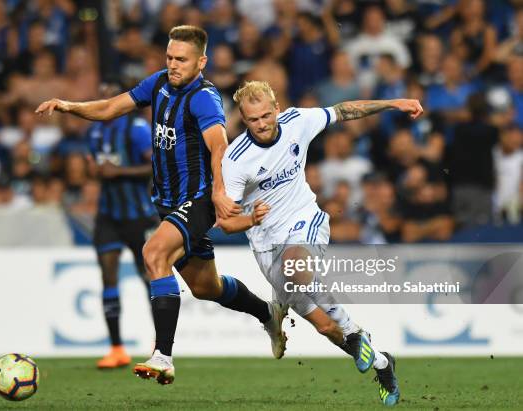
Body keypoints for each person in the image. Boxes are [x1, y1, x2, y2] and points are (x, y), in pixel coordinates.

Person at [36, 26, 287, 385]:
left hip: (197, 200)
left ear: (201, 61)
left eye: (181, 59)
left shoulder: (204, 98)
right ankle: (267, 312)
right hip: (167, 204)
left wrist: (218, 192)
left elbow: (218, 145)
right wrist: (69, 106)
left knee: (153, 254)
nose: (173, 65)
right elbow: (110, 107)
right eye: (169, 57)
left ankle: (163, 356)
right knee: (206, 287)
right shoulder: (158, 84)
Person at [218, 81, 423, 406]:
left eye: (267, 115)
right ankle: (382, 363)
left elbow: (343, 111)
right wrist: (251, 219)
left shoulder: (298, 121)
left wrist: (393, 102)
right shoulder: (236, 160)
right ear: (243, 119)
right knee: (327, 328)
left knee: (295, 266)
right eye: (253, 120)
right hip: (264, 243)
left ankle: (356, 336)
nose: (262, 124)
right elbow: (226, 222)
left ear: (277, 109)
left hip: (305, 221)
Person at [85, 84, 158, 369]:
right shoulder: (94, 130)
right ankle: (116, 348)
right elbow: (94, 166)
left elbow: (155, 167)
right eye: (100, 93)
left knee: (149, 277)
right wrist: (94, 171)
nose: (104, 98)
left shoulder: (137, 128)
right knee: (108, 275)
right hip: (108, 215)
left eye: (110, 93)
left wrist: (119, 172)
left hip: (138, 216)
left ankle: (159, 345)